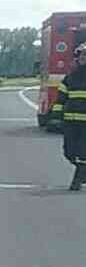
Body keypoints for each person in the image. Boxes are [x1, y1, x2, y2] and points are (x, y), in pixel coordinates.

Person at [60, 43, 86, 191]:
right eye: (82, 56)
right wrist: (56, 117)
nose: (84, 58)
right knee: (69, 152)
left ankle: (77, 180)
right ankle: (83, 172)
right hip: (71, 122)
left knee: (83, 153)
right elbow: (61, 98)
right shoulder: (70, 78)